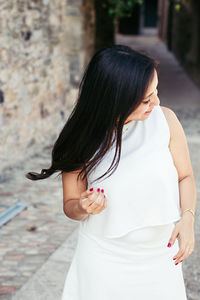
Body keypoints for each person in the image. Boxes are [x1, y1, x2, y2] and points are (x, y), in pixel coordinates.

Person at [26, 45, 196, 300]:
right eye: (146, 99)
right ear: (115, 99)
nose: (156, 103)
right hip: (103, 261)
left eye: (156, 92)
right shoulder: (81, 139)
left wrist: (188, 218)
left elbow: (185, 176)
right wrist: (83, 206)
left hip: (160, 258)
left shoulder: (166, 121)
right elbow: (71, 205)